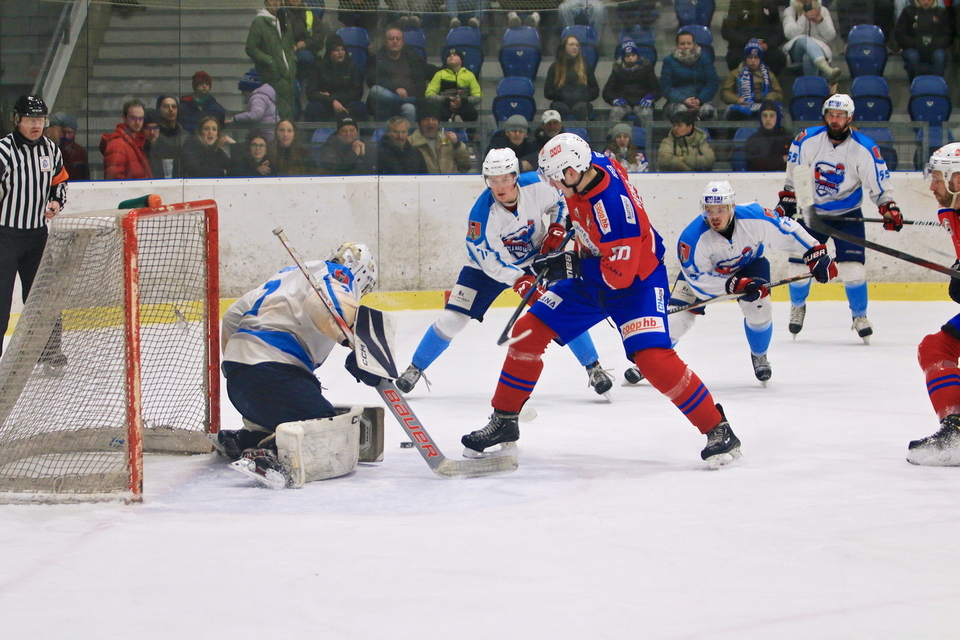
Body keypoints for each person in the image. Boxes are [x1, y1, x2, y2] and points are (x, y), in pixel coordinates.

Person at [459, 134, 742, 467]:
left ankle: (718, 428)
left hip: (635, 283)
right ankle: (504, 420)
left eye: (556, 178)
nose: (553, 185)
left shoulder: (614, 211)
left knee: (652, 359)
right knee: (527, 333)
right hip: (595, 274)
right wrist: (568, 233)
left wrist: (569, 264)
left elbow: (618, 276)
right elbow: (583, 213)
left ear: (572, 172)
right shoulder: (590, 165)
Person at [396, 147, 614, 396]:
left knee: (560, 308)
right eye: (493, 180)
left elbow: (562, 201)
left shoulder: (538, 185)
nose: (499, 187)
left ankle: (594, 368)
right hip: (484, 269)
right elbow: (492, 262)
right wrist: (520, 279)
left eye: (505, 179)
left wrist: (556, 227)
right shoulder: (481, 215)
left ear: (515, 176)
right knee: (453, 318)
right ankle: (415, 367)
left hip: (535, 259)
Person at [216, 242, 380, 481]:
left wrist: (239, 363)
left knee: (285, 411)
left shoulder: (289, 275)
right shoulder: (336, 275)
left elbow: (232, 315)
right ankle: (268, 453)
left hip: (239, 379)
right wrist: (358, 343)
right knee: (323, 426)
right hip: (272, 373)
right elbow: (325, 303)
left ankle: (249, 438)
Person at [662, 180, 834, 383]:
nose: (715, 216)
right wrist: (731, 285)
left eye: (721, 210)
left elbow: (786, 228)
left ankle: (759, 355)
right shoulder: (691, 239)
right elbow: (699, 281)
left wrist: (814, 252)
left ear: (732, 207)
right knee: (678, 320)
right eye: (709, 210)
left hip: (750, 265)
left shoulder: (754, 216)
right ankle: (653, 361)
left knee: (759, 308)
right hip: (707, 278)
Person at [776, 94, 901, 343]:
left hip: (847, 215)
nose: (835, 120)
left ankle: (860, 316)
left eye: (840, 116)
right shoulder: (807, 139)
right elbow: (795, 174)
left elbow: (878, 184)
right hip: (811, 214)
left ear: (850, 118)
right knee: (798, 266)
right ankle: (798, 306)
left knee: (853, 270)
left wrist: (888, 207)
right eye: (831, 115)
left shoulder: (864, 148)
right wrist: (789, 197)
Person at [0, 96, 68, 363]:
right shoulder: (4, 151)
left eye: (40, 119)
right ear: (17, 120)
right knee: (1, 301)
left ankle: (49, 352)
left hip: (37, 237)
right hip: (4, 237)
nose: (36, 125)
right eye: (30, 119)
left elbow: (59, 182)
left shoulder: (51, 150)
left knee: (44, 297)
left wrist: (56, 201)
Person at [908, 143, 960, 465]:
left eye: (938, 178)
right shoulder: (949, 213)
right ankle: (955, 432)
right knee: (935, 348)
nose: (932, 186)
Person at [245, 0, 298, 120]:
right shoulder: (259, 22)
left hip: (288, 74)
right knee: (274, 114)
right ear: (266, 2)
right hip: (271, 74)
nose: (276, 2)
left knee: (288, 113)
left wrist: (292, 60)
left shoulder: (284, 19)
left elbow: (290, 43)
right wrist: (270, 61)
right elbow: (251, 48)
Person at [366, 27, 429, 121]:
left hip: (407, 104)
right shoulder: (377, 59)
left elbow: (430, 70)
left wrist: (449, 67)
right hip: (385, 102)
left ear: (402, 42)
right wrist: (395, 88)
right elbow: (372, 79)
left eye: (398, 39)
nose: (395, 41)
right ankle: (414, 100)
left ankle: (409, 132)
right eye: (391, 39)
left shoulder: (413, 57)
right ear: (385, 42)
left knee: (410, 109)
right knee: (375, 90)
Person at [304, 33, 366, 122]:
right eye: (336, 50)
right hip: (325, 104)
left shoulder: (353, 67)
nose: (341, 52)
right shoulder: (318, 67)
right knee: (313, 107)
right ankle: (317, 131)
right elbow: (311, 92)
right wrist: (332, 101)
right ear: (329, 52)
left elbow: (357, 93)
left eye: (342, 49)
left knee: (359, 107)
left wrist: (334, 98)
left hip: (345, 103)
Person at [781, 0, 841, 90]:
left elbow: (831, 35)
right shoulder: (790, 10)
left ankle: (812, 91)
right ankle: (826, 69)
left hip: (819, 47)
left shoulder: (823, 10)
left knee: (808, 57)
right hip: (797, 49)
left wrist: (821, 21)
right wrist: (804, 18)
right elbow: (789, 34)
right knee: (804, 39)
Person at [660, 29, 718, 120]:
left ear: (694, 44)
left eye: (689, 43)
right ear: (677, 45)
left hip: (702, 100)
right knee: (680, 111)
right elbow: (666, 87)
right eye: (682, 44)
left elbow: (712, 83)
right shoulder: (668, 61)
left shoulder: (705, 58)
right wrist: (684, 100)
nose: (686, 46)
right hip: (677, 102)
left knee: (708, 111)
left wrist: (699, 100)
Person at [720, 40, 784, 123]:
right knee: (734, 111)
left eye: (756, 58)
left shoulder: (769, 75)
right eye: (750, 57)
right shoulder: (735, 74)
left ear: (760, 59)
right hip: (743, 105)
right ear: (745, 59)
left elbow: (780, 94)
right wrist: (736, 99)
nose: (753, 60)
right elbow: (725, 93)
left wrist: (772, 96)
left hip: (764, 105)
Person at [720, 0, 788, 75]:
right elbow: (727, 31)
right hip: (741, 47)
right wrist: (747, 42)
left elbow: (779, 33)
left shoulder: (770, 3)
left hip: (766, 48)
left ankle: (770, 81)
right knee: (734, 58)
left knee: (778, 58)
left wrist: (768, 44)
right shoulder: (737, 3)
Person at [543, 35, 600, 122]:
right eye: (571, 45)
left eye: (577, 45)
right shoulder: (554, 67)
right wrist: (561, 95)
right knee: (558, 107)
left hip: (581, 103)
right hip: (561, 103)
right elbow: (547, 92)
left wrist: (582, 96)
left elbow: (595, 90)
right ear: (563, 48)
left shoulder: (586, 67)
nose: (575, 47)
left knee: (582, 107)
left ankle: (582, 130)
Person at [601, 41, 659, 124]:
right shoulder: (617, 70)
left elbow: (656, 89)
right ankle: (612, 132)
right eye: (627, 56)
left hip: (641, 103)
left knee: (646, 113)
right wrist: (614, 99)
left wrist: (650, 98)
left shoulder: (647, 69)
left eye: (633, 55)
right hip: (623, 104)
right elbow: (607, 91)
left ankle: (648, 133)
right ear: (623, 57)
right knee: (615, 111)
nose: (630, 58)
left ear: (637, 56)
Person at [895, 0, 954, 81]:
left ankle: (936, 85)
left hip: (935, 48)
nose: (926, 2)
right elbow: (899, 35)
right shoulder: (907, 12)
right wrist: (917, 43)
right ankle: (915, 85)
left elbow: (948, 36)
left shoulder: (942, 13)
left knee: (940, 56)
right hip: (913, 47)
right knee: (912, 56)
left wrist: (934, 44)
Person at [409, 103, 472, 174]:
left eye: (434, 119)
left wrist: (457, 145)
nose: (430, 122)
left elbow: (466, 166)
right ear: (419, 123)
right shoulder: (410, 143)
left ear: (438, 123)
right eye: (426, 119)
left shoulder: (449, 140)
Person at [100, 98, 152, 180]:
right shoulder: (117, 144)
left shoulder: (139, 142)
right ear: (124, 118)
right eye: (133, 118)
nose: (138, 122)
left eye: (141, 118)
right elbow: (115, 181)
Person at [424, 49, 482, 123]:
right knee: (439, 112)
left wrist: (464, 101)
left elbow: (477, 96)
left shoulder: (469, 75)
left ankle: (455, 120)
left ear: (461, 60)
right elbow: (429, 95)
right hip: (445, 105)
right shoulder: (439, 74)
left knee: (472, 113)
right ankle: (454, 119)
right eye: (449, 56)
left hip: (464, 105)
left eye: (455, 55)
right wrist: (446, 99)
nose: (451, 56)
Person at [226, 69, 278, 139]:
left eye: (243, 90)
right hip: (267, 134)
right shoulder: (262, 97)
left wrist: (235, 118)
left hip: (267, 137)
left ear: (248, 89)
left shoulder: (258, 99)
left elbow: (255, 115)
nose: (242, 93)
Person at [744, 100, 793, 172]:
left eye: (772, 115)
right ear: (760, 117)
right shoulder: (753, 140)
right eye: (764, 115)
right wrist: (781, 159)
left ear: (778, 117)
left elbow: (794, 163)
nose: (768, 119)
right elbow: (754, 164)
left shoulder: (788, 138)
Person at [153, 95, 189, 177]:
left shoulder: (186, 136)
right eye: (166, 106)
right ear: (159, 110)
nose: (170, 109)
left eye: (174, 106)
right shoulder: (153, 136)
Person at [52, 112, 89, 181]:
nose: (66, 136)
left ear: (75, 133)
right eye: (64, 132)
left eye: (70, 133)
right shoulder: (53, 150)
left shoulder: (80, 151)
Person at [142, 109, 164, 179]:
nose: (152, 132)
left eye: (155, 128)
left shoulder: (167, 148)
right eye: (148, 128)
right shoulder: (139, 149)